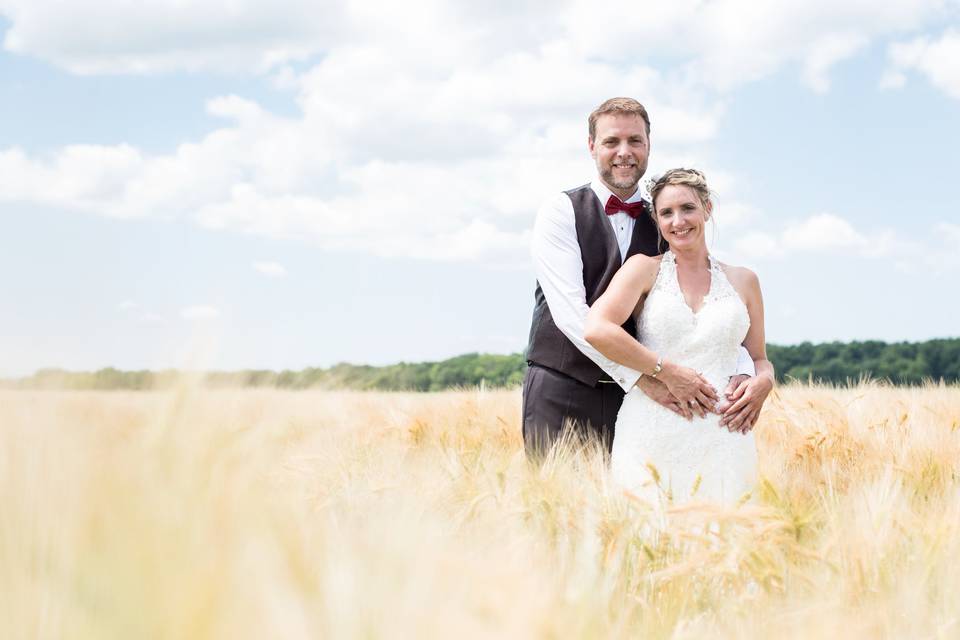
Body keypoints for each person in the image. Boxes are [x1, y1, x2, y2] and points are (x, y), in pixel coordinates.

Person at [522, 97, 769, 460]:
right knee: (560, 510)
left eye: (635, 140)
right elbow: (574, 317)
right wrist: (645, 377)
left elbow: (713, 311)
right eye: (611, 142)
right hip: (565, 390)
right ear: (592, 146)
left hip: (648, 405)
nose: (624, 152)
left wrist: (754, 373)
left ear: (649, 145)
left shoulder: (668, 220)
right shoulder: (561, 211)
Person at [585, 168, 775, 504]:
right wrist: (664, 371)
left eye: (687, 208)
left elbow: (758, 356)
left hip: (724, 436)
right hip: (651, 428)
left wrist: (766, 381)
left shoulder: (745, 281)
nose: (678, 221)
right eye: (666, 213)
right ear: (657, 221)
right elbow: (597, 328)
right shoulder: (644, 268)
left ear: (707, 208)